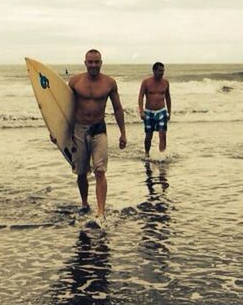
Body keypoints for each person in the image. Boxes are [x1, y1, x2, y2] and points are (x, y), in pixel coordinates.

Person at [68, 49, 127, 218]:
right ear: (85, 63)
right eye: (90, 62)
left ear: (101, 63)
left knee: (100, 171)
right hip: (79, 129)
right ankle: (85, 204)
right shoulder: (75, 82)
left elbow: (117, 108)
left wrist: (123, 133)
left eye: (96, 62)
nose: (93, 65)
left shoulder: (109, 83)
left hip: (99, 129)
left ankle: (100, 212)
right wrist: (58, 132)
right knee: (81, 172)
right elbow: (64, 109)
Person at [138, 62, 172, 158]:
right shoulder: (146, 82)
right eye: (160, 71)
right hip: (149, 112)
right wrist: (141, 111)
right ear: (154, 71)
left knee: (163, 134)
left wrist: (169, 111)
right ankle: (147, 154)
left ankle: (162, 155)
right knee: (149, 136)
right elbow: (140, 96)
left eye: (163, 71)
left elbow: (168, 97)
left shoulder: (165, 82)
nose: (162, 73)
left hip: (161, 111)